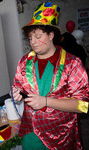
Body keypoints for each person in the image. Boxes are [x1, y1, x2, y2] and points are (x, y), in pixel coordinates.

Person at [10, 2, 89, 150]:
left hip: (60, 137)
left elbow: (83, 105)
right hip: (31, 134)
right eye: (30, 37)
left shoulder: (72, 63)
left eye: (38, 36)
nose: (32, 42)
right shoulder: (23, 62)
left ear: (51, 35)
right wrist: (15, 93)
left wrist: (46, 101)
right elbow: (17, 86)